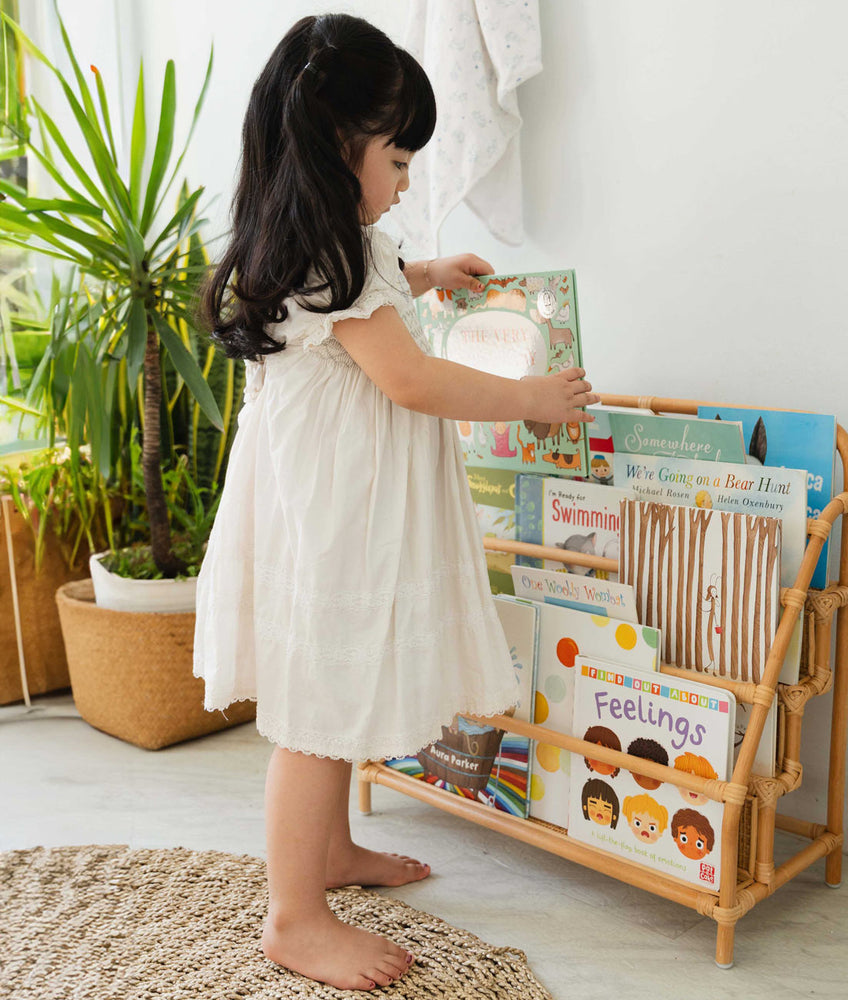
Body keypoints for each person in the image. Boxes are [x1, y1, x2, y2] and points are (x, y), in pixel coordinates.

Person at [194, 12, 599, 993]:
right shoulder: (339, 253)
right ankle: (293, 915)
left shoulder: (312, 243)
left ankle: (328, 854)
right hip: (341, 511)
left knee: (333, 698)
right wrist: (531, 398)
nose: (407, 180)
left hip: (316, 498)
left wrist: (422, 273)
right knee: (319, 711)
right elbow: (410, 380)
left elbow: (356, 313)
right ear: (339, 147)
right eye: (399, 157)